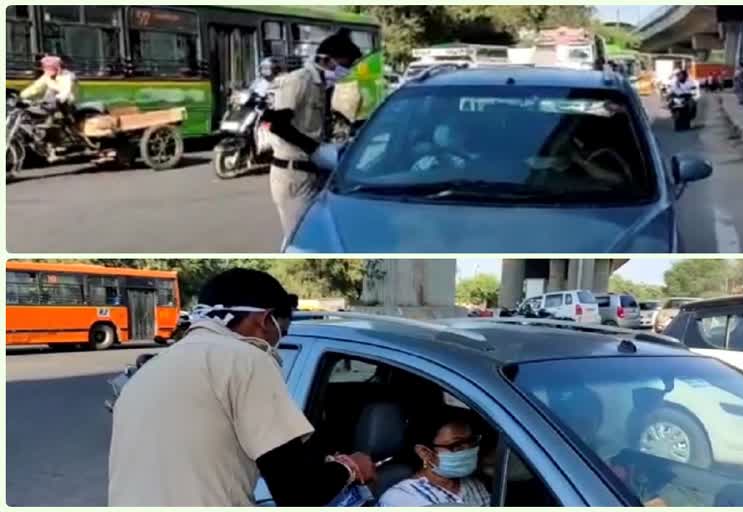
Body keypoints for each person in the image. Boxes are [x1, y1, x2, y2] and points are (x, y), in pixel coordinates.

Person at [109, 268, 375, 506]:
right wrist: (350, 467)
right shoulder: (247, 359)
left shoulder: (151, 368)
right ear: (264, 319)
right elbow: (297, 493)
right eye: (283, 330)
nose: (278, 340)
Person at [265, 30, 361, 237]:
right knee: (300, 238)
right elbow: (278, 125)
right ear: (326, 60)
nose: (345, 71)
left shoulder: (322, 86)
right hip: (293, 175)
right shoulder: (299, 80)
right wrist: (316, 149)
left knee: (320, 234)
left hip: (314, 173)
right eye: (344, 66)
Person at [378, 412, 491, 506]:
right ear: (425, 452)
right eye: (457, 445)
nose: (469, 450)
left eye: (471, 441)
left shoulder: (473, 485)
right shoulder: (400, 499)